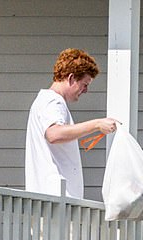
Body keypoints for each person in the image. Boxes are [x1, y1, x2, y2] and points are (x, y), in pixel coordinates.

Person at [25, 48, 117, 198]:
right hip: (55, 201)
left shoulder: (44, 100)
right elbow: (53, 134)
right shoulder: (53, 101)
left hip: (50, 201)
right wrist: (97, 124)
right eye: (84, 84)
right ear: (71, 78)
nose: (85, 90)